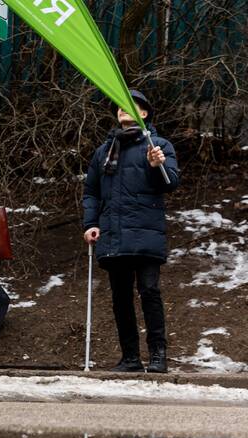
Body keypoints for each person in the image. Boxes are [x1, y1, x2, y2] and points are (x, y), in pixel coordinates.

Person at [83, 89, 179, 373]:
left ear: (145, 113)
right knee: (120, 297)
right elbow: (91, 192)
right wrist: (90, 224)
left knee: (149, 292)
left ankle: (158, 356)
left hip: (147, 233)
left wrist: (156, 166)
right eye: (121, 106)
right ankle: (130, 359)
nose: (123, 109)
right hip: (113, 234)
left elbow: (170, 183)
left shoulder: (159, 145)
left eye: (132, 106)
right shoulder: (103, 151)